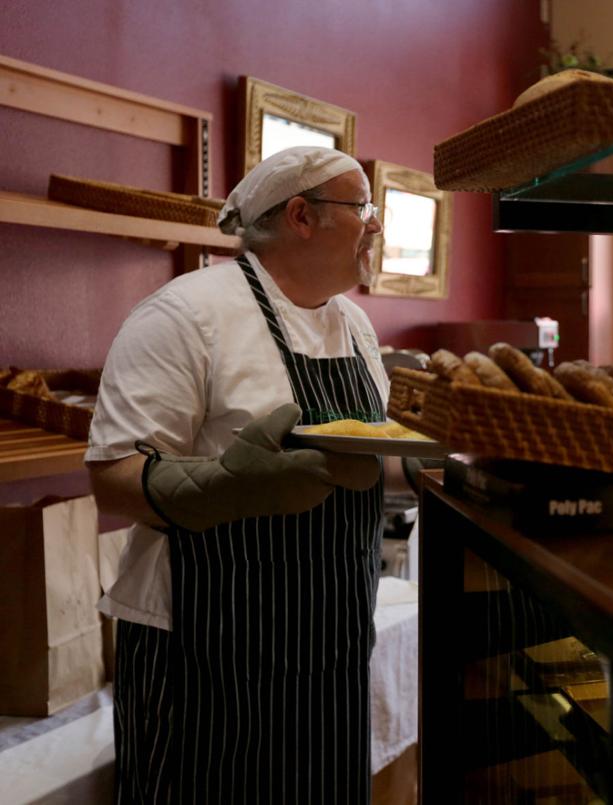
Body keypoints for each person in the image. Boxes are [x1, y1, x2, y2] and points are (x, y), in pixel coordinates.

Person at [86, 146, 390, 802]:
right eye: (361, 206)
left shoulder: (357, 328)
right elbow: (111, 475)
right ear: (302, 216)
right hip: (205, 656)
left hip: (330, 651)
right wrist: (225, 485)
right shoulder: (184, 316)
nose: (375, 225)